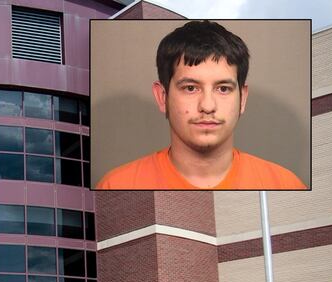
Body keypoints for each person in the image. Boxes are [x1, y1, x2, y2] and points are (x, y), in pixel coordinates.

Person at [96, 20, 307, 190]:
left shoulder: (286, 183)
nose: (207, 106)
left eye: (223, 88)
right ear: (162, 97)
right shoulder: (115, 184)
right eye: (190, 88)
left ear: (242, 99)